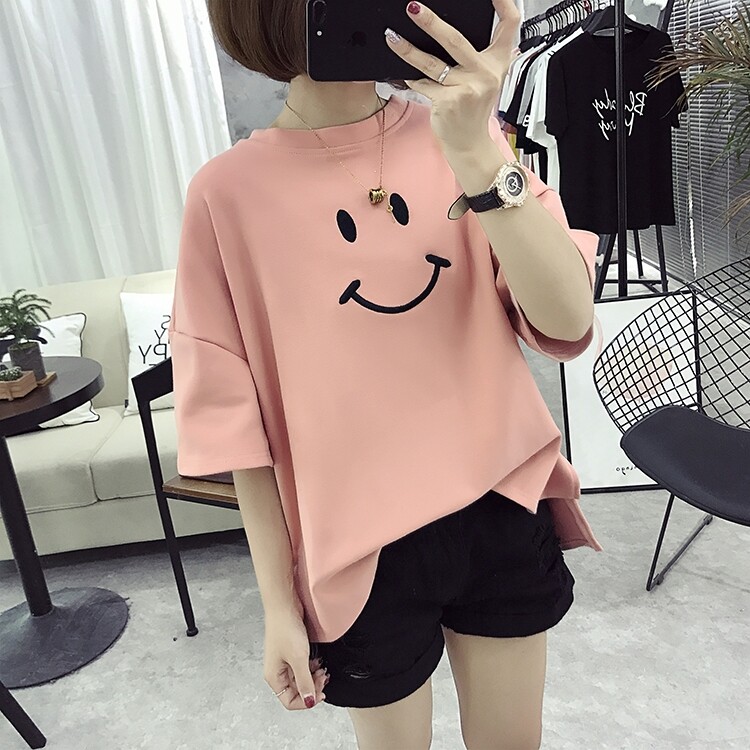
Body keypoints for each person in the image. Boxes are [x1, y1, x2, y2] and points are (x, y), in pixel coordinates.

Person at [168, 1, 603, 748]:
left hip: (500, 502)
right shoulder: (226, 194)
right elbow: (241, 428)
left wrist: (476, 154)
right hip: (357, 547)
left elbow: (566, 322)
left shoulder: (464, 135)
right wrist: (277, 605)